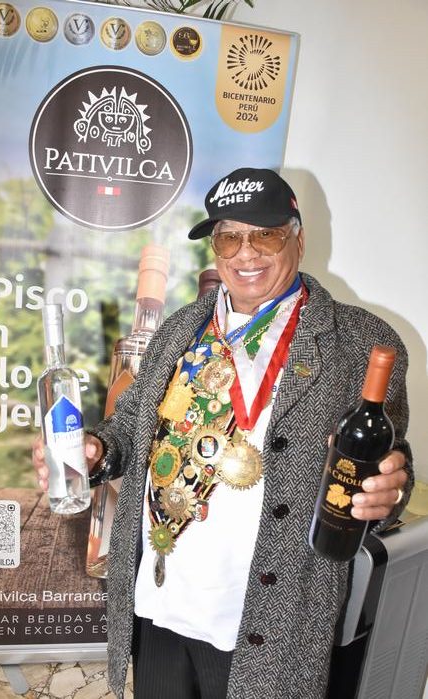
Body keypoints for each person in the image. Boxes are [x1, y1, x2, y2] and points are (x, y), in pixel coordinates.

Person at [33, 167, 413, 699]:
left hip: (267, 623)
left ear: (298, 239)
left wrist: (389, 492)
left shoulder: (359, 342)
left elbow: (388, 463)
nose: (245, 253)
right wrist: (97, 450)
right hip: (160, 602)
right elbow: (130, 427)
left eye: (265, 234)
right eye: (229, 237)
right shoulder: (180, 328)